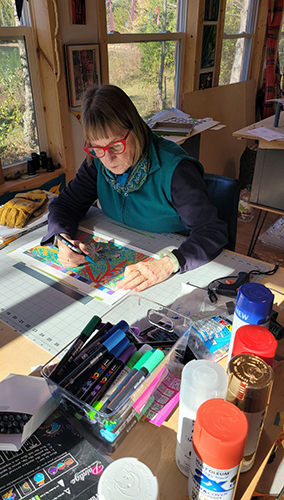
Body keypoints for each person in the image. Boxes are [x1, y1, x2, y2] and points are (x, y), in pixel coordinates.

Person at [41, 84, 228, 292]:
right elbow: (66, 204)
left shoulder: (176, 171)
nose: (108, 159)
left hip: (178, 264)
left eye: (115, 146)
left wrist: (169, 263)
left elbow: (212, 231)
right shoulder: (96, 164)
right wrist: (61, 238)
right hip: (130, 250)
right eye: (97, 148)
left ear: (136, 129)